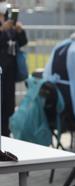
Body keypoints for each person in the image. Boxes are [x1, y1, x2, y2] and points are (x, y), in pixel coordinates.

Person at [0, 0, 26, 136]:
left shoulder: (10, 21)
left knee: (8, 106)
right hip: (1, 71)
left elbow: (22, 42)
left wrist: (20, 31)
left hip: (10, 71)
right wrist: (2, 29)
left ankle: (5, 133)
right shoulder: (4, 26)